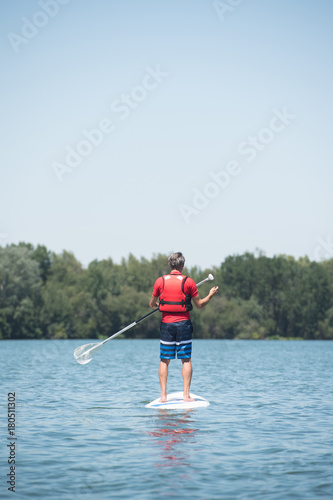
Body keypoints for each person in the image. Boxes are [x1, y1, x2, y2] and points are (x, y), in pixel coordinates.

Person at [149, 252, 219, 403]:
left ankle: (163, 396)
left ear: (169, 265)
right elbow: (199, 305)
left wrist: (160, 305)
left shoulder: (159, 281)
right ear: (182, 266)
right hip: (183, 325)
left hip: (166, 324)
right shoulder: (189, 282)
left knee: (164, 360)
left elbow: (151, 304)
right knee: (186, 360)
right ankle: (186, 396)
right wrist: (210, 294)